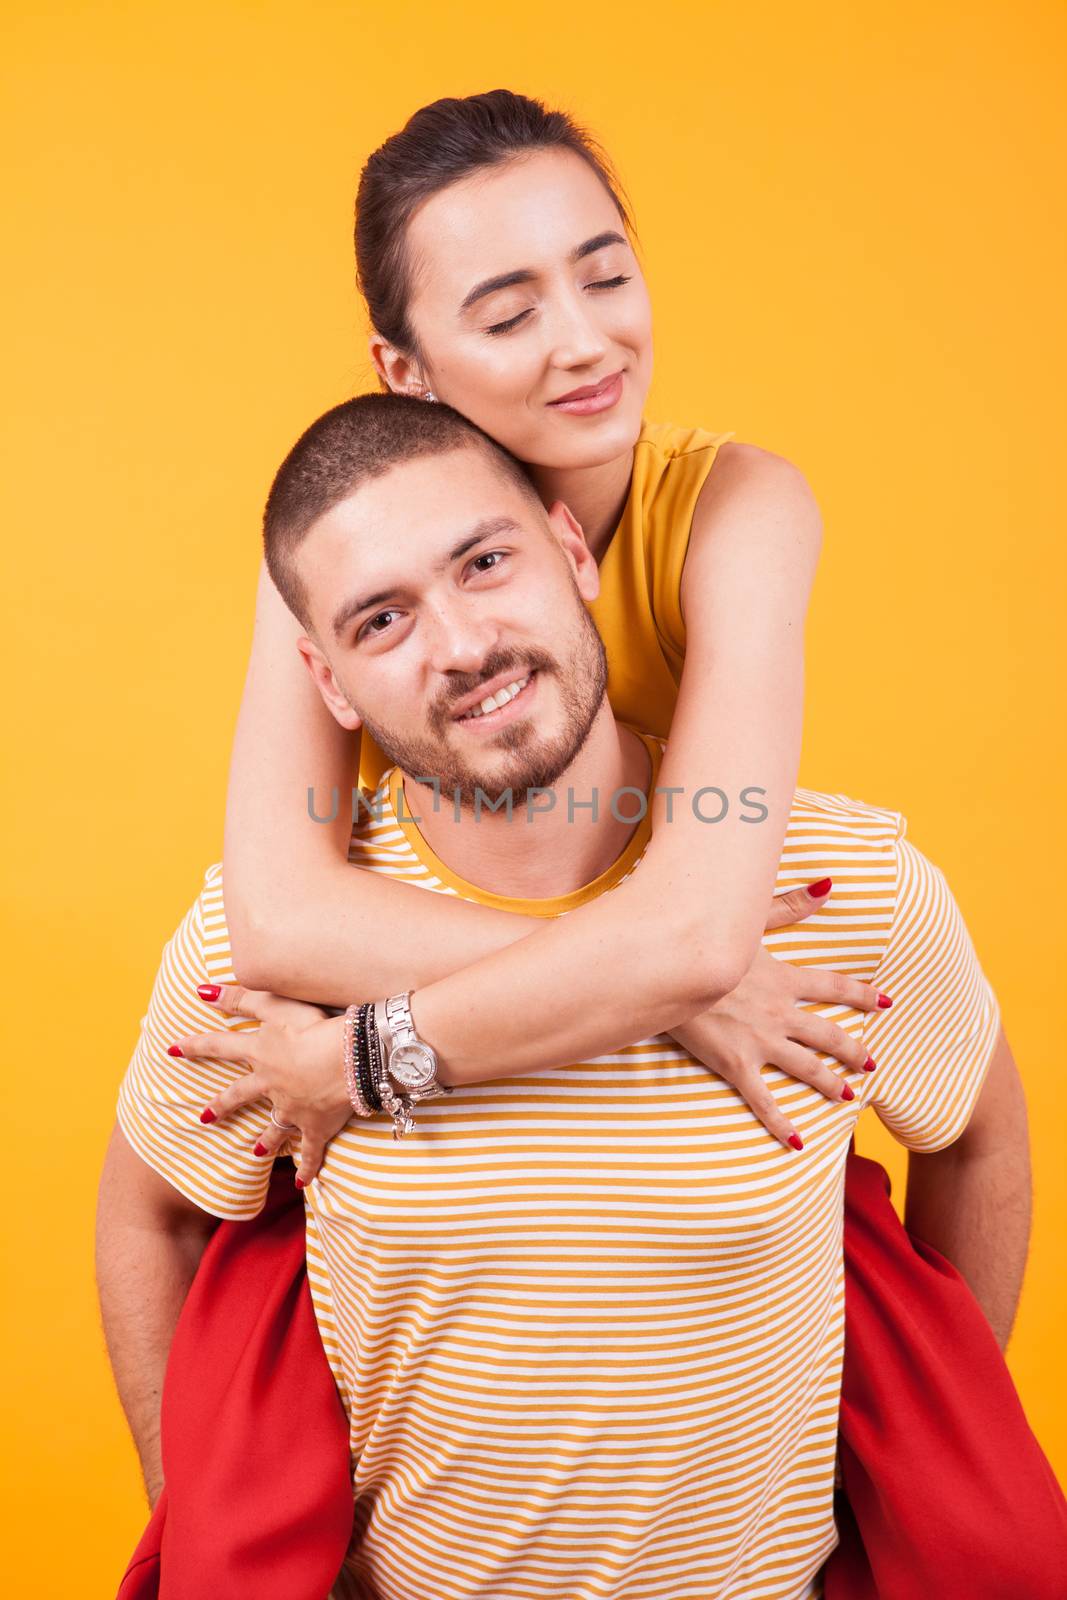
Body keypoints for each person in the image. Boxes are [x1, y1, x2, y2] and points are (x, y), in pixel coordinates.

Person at [99, 393, 1067, 1600]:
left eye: (485, 562)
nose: (460, 645)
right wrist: (186, 1510)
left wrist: (912, 1464)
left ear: (572, 552)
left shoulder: (844, 889)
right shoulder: (263, 954)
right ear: (327, 681)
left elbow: (979, 1137)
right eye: (382, 618)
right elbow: (154, 1216)